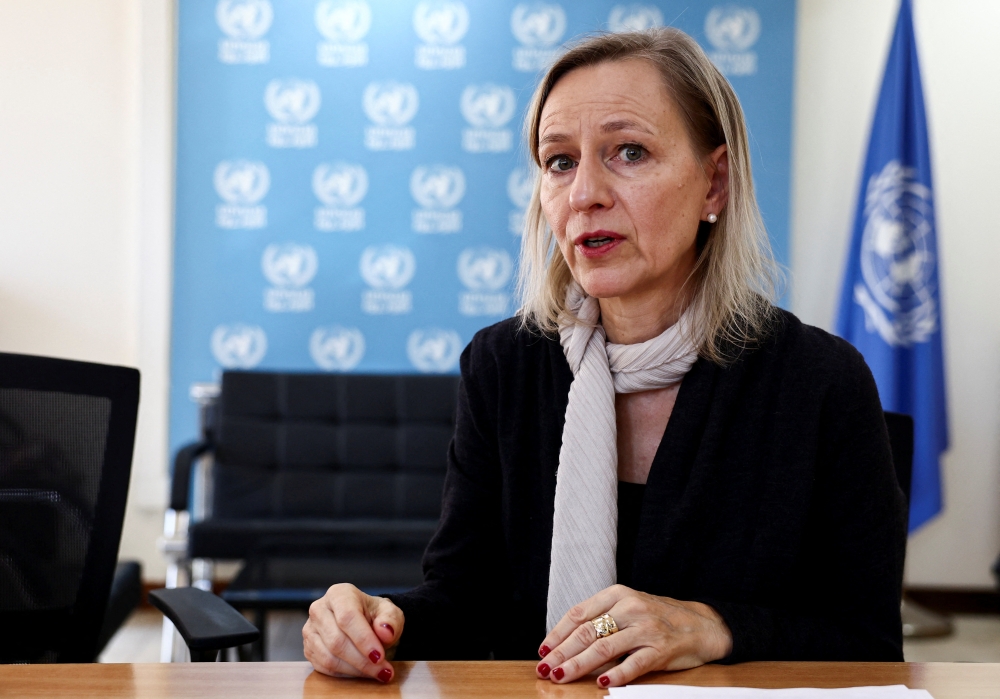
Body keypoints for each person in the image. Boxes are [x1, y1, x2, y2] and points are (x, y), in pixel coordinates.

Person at [303, 28, 907, 688]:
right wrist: (382, 619)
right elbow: (466, 600)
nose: (583, 192)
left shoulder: (819, 382)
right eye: (559, 161)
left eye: (628, 151)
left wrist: (716, 625)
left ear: (715, 184)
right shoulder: (503, 366)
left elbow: (867, 639)